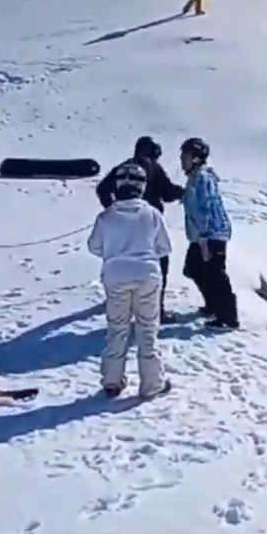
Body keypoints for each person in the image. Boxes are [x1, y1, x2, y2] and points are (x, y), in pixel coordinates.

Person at [87, 163, 174, 399]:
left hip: (115, 275)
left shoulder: (105, 217)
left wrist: (114, 253)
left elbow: (94, 246)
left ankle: (112, 381)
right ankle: (152, 383)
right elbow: (165, 247)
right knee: (147, 329)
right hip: (148, 275)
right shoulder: (152, 214)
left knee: (117, 328)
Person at [95, 136, 186, 322]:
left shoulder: (123, 168)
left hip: (122, 226)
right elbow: (167, 192)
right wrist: (183, 192)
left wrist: (113, 210)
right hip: (149, 223)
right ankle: (155, 310)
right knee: (158, 266)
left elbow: (102, 188)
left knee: (122, 262)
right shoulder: (153, 167)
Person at [178, 137, 238, 329]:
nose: (181, 160)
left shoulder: (202, 178)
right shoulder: (196, 177)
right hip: (202, 235)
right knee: (193, 269)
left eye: (185, 156)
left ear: (195, 158)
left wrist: (204, 237)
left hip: (211, 234)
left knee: (215, 274)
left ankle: (228, 317)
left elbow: (206, 207)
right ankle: (213, 305)